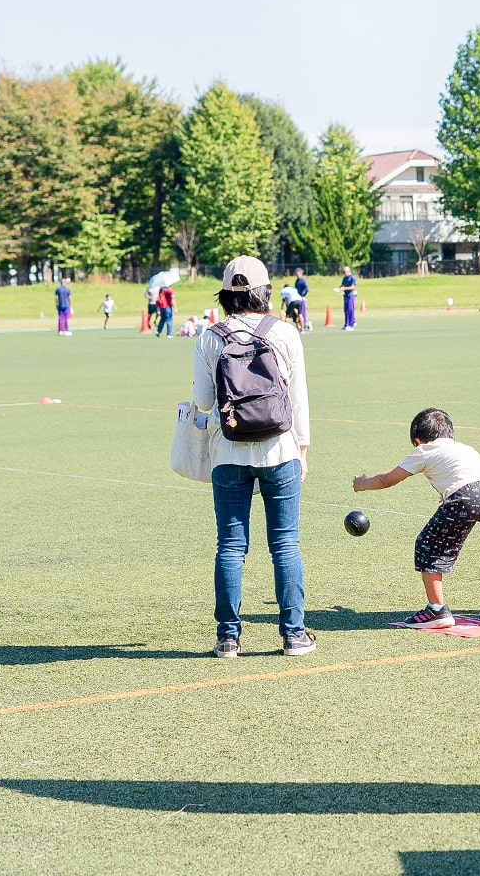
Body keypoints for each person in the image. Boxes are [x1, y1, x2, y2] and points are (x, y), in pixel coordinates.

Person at [192, 255, 314, 658]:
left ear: (225, 294)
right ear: (265, 291)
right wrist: (302, 449)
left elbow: (203, 400)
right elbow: (298, 399)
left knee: (230, 546)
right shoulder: (284, 332)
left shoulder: (210, 337)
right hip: (279, 448)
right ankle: (293, 635)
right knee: (285, 544)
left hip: (228, 451)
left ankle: (228, 638)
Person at [353, 407, 480, 627]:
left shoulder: (424, 450)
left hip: (469, 493)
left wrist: (362, 483)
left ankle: (437, 610)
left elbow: (388, 479)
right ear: (451, 435)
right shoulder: (463, 447)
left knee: (428, 544)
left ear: (418, 441)